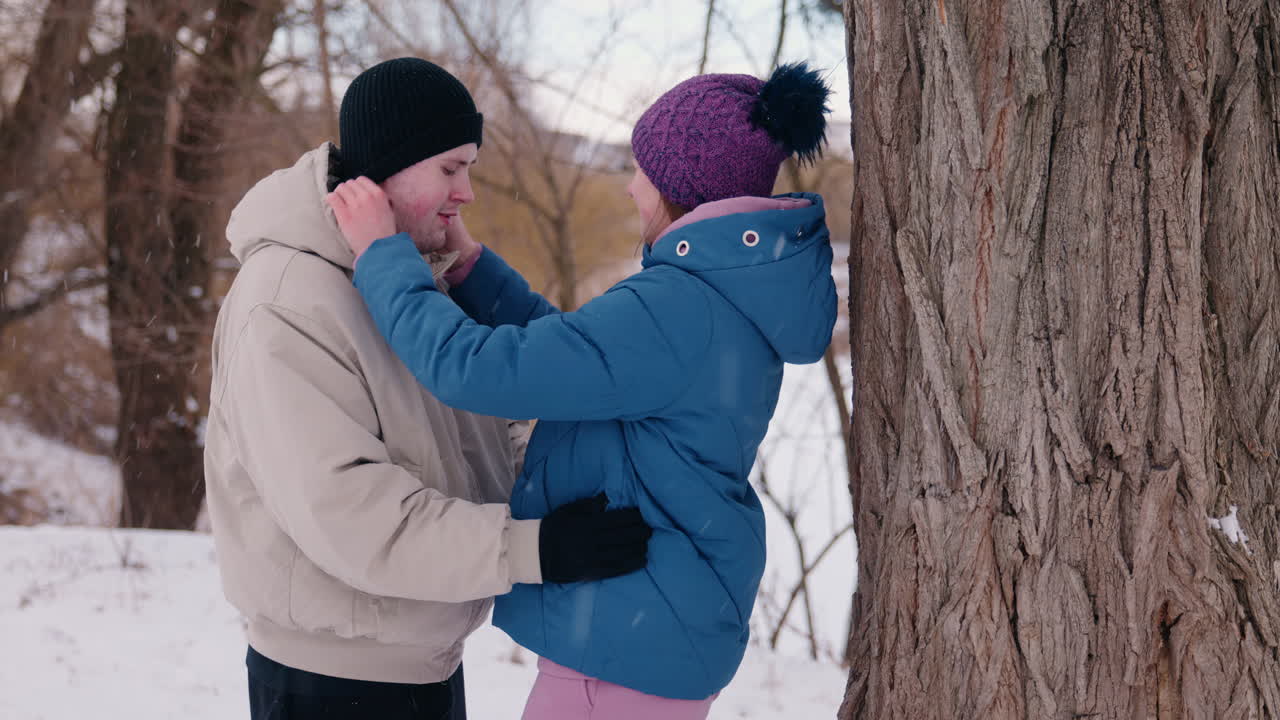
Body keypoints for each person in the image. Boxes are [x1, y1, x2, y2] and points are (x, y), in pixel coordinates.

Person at [328, 62, 836, 720]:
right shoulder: (719, 300)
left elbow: (472, 369)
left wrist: (381, 256)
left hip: (628, 644)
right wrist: (476, 271)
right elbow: (576, 359)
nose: (629, 189)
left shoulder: (676, 307)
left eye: (643, 172)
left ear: (682, 187)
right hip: (657, 626)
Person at [204, 57, 652, 720]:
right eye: (450, 168)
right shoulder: (289, 303)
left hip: (420, 663)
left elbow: (489, 431)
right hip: (330, 684)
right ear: (387, 167)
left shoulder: (408, 279)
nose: (467, 191)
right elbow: (352, 515)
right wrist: (535, 547)